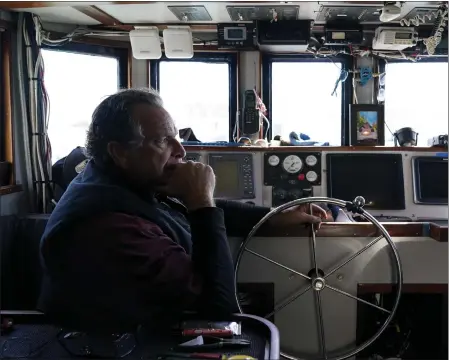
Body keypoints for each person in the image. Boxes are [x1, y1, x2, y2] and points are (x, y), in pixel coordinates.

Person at [38, 88, 326, 332]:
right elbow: (217, 311)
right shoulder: (110, 228)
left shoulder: (118, 183)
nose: (181, 149)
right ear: (120, 153)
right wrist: (201, 202)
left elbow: (184, 207)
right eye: (162, 140)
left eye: (176, 136)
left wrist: (276, 215)